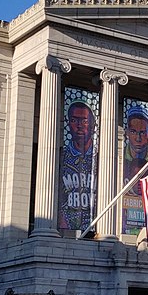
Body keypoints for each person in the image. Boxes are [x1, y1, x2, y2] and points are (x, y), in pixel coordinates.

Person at [59, 99, 97, 232]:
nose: (80, 126)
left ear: (93, 125)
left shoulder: (99, 157)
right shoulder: (63, 155)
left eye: (85, 121)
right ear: (68, 124)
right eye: (75, 120)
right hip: (67, 227)